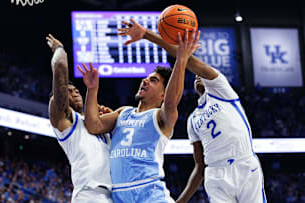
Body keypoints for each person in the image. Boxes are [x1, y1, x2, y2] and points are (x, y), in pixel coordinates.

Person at [118, 19, 267, 203]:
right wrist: (182, 200)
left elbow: (187, 59)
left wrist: (148, 35)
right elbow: (200, 166)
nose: (197, 75)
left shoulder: (222, 91)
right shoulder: (192, 119)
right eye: (195, 75)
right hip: (215, 174)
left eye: (201, 74)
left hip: (244, 165)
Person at [78, 26, 201, 202]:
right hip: (120, 195)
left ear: (163, 95)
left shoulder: (161, 117)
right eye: (147, 78)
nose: (145, 80)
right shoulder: (123, 112)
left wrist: (181, 60)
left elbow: (173, 100)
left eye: (153, 80)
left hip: (149, 193)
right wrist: (92, 89)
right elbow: (92, 125)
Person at [46, 34, 113, 203]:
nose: (74, 92)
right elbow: (60, 67)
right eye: (68, 91)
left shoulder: (98, 124)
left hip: (115, 195)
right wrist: (59, 49)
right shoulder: (67, 121)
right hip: (89, 195)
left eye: (76, 90)